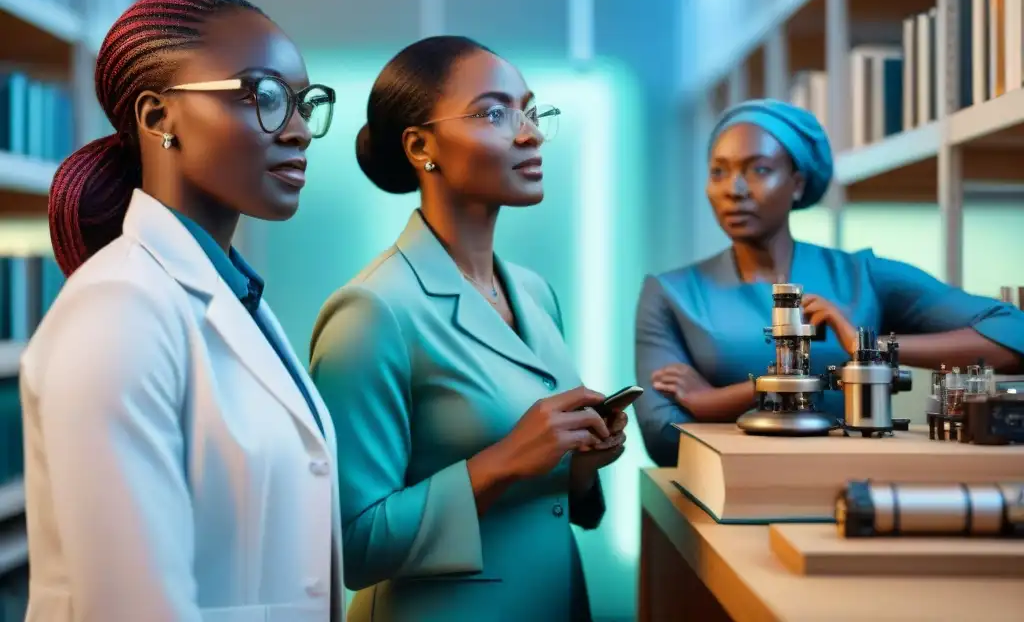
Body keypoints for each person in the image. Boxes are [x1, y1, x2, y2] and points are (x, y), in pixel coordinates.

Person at [21, 0, 344, 621]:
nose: (301, 131)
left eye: (304, 103)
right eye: (265, 97)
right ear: (158, 117)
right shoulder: (119, 311)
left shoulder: (232, 295)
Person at [310, 35, 627, 622]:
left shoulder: (534, 292)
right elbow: (350, 545)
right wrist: (505, 460)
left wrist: (581, 462)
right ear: (421, 145)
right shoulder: (371, 311)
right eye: (493, 112)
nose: (529, 132)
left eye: (529, 109)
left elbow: (553, 499)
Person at [634, 98, 1024, 467]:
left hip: (859, 486)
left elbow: (1014, 334)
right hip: (724, 499)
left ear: (798, 183)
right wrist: (772, 388)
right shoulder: (671, 293)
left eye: (759, 170)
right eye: (719, 171)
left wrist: (868, 346)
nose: (734, 190)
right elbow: (663, 438)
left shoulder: (862, 276)